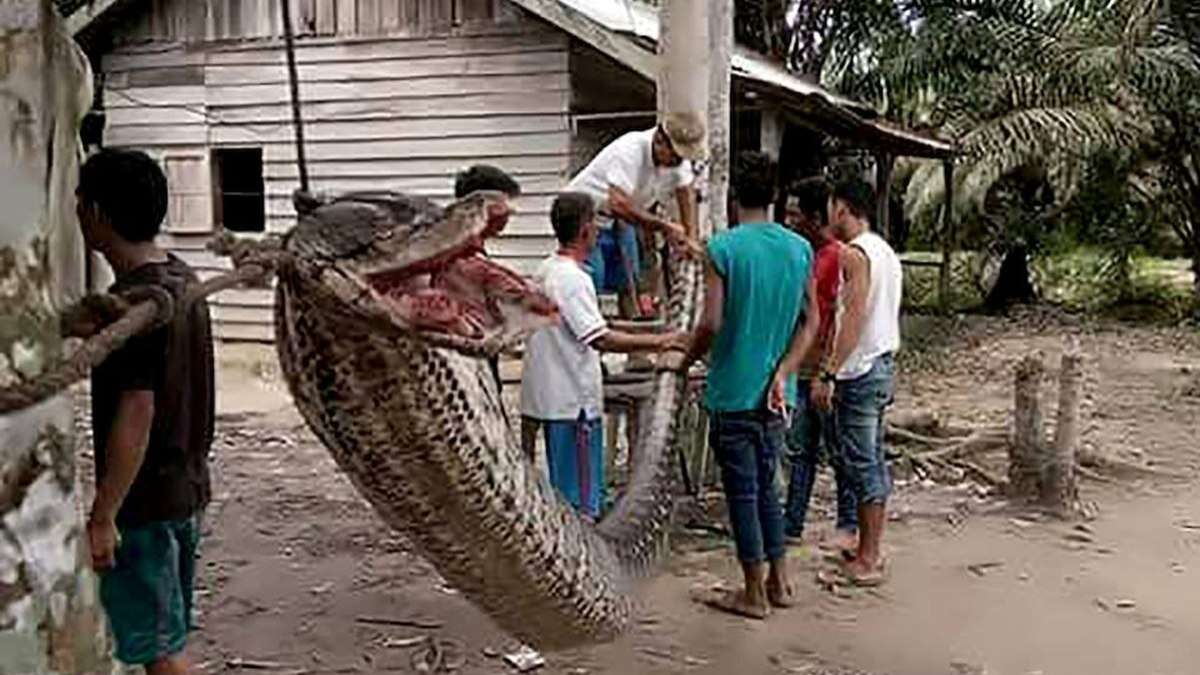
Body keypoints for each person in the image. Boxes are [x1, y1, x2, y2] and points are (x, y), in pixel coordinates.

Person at [75, 149, 215, 675]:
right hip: (187, 488)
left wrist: (103, 515)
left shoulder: (137, 305)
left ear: (98, 214)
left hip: (147, 503)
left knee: (161, 653)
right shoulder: (181, 280)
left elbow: (137, 410)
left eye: (79, 201)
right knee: (167, 635)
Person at [673, 152, 821, 619]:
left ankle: (753, 592)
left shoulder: (723, 248)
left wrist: (684, 359)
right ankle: (780, 582)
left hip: (733, 391)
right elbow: (810, 322)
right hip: (778, 395)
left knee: (742, 492)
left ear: (736, 198)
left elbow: (711, 322)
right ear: (776, 197)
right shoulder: (799, 249)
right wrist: (784, 370)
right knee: (767, 490)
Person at [520, 192, 688, 518]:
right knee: (580, 503)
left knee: (566, 491)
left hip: (551, 397)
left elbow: (592, 325)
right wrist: (662, 341)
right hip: (573, 402)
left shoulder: (546, 269)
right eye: (595, 225)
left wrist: (650, 333)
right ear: (585, 230)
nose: (599, 232)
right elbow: (601, 339)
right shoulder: (573, 279)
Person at [772, 177, 902, 587]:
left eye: (830, 206)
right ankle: (864, 545)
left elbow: (853, 318)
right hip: (875, 363)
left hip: (860, 370)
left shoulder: (855, 254)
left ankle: (870, 555)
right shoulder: (883, 251)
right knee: (864, 459)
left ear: (841, 208)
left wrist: (828, 371)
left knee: (863, 462)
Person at [779, 178, 858, 554]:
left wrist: (829, 370)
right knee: (801, 450)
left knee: (837, 449)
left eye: (796, 214)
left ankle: (848, 522)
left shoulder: (838, 257)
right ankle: (792, 521)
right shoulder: (801, 253)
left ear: (814, 217)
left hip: (825, 368)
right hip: (801, 364)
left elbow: (839, 318)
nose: (789, 220)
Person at [565, 112, 705, 318]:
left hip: (620, 218)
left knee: (630, 279)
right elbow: (619, 203)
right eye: (675, 155)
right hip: (584, 217)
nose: (678, 161)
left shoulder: (677, 161)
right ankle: (588, 335)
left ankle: (632, 335)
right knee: (592, 278)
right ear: (659, 141)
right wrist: (665, 227)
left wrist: (691, 237)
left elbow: (686, 192)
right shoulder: (630, 150)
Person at [451, 164, 522, 422]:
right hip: (468, 371)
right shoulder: (457, 253)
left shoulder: (472, 247)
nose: (510, 213)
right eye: (504, 205)